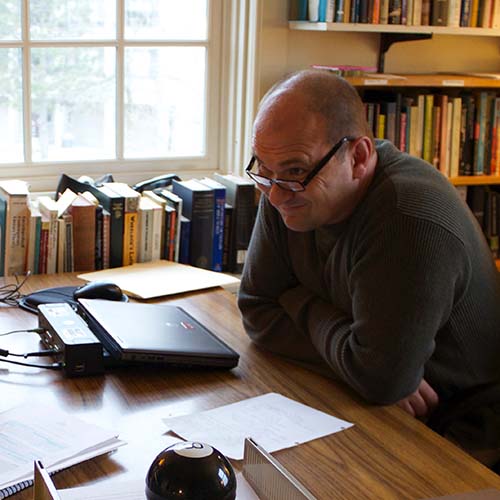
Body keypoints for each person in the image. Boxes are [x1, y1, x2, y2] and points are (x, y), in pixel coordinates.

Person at [237, 69, 500, 461]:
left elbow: (381, 380)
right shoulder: (287, 187)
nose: (274, 195)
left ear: (358, 157)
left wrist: (298, 303)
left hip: (458, 431)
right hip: (370, 403)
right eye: (264, 170)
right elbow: (257, 309)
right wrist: (356, 360)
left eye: (294, 171)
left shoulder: (407, 216)